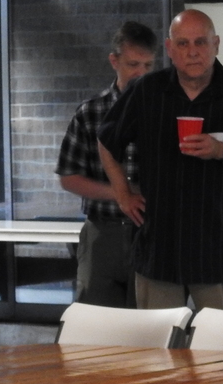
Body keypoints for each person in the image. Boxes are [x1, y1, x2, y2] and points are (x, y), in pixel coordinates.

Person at [98, 9, 223, 312]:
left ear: (216, 44)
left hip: (221, 251)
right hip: (160, 248)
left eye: (200, 42)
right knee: (158, 342)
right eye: (183, 44)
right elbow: (106, 140)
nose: (192, 52)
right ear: (169, 49)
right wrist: (123, 194)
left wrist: (222, 152)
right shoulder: (147, 90)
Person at [55, 22, 157, 308]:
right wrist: (121, 193)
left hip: (150, 232)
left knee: (148, 320)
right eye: (133, 64)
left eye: (148, 65)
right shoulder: (91, 112)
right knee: (96, 318)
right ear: (115, 61)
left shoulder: (163, 111)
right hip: (103, 232)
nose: (141, 73)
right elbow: (68, 177)